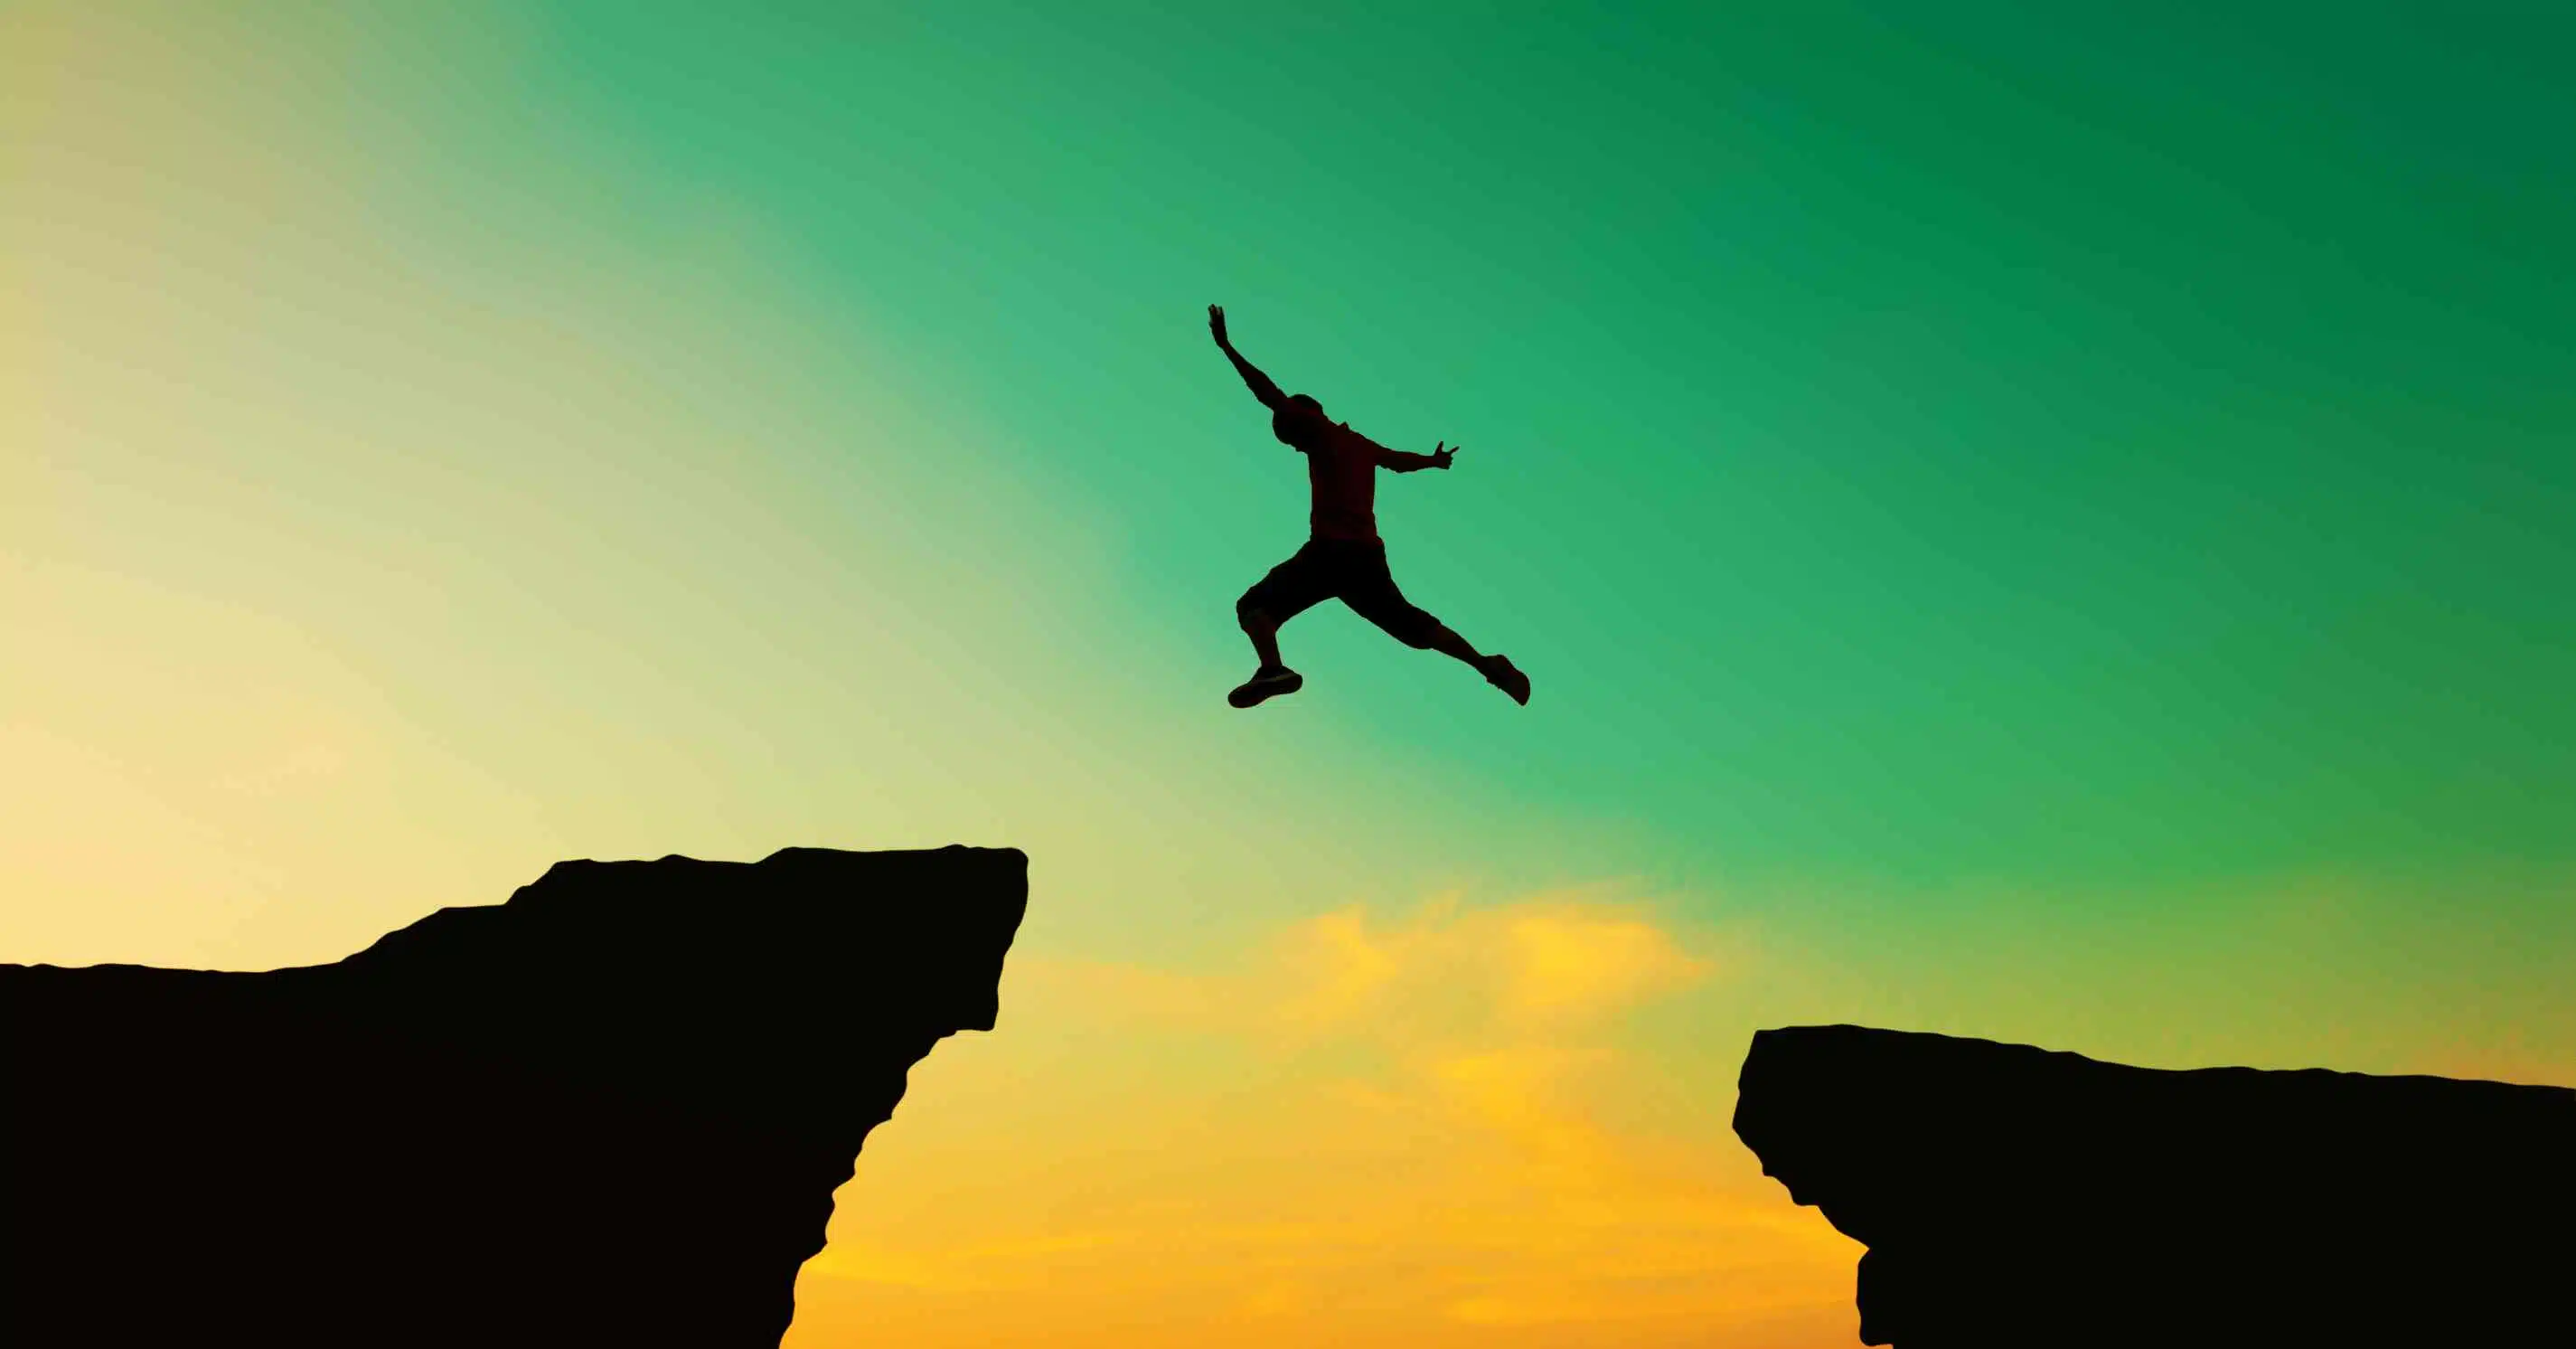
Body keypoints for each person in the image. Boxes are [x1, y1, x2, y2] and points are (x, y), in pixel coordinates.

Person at [1208, 304, 1529, 709]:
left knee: (1252, 605)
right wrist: (1432, 461)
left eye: (1291, 434)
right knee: (1411, 626)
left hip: (1330, 554)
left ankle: (1272, 667)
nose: (1296, 445)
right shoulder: (1359, 444)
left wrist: (1227, 347)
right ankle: (1487, 665)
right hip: (1365, 561)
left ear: (1306, 414)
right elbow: (1397, 461)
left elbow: (1267, 393)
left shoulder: (1318, 429)